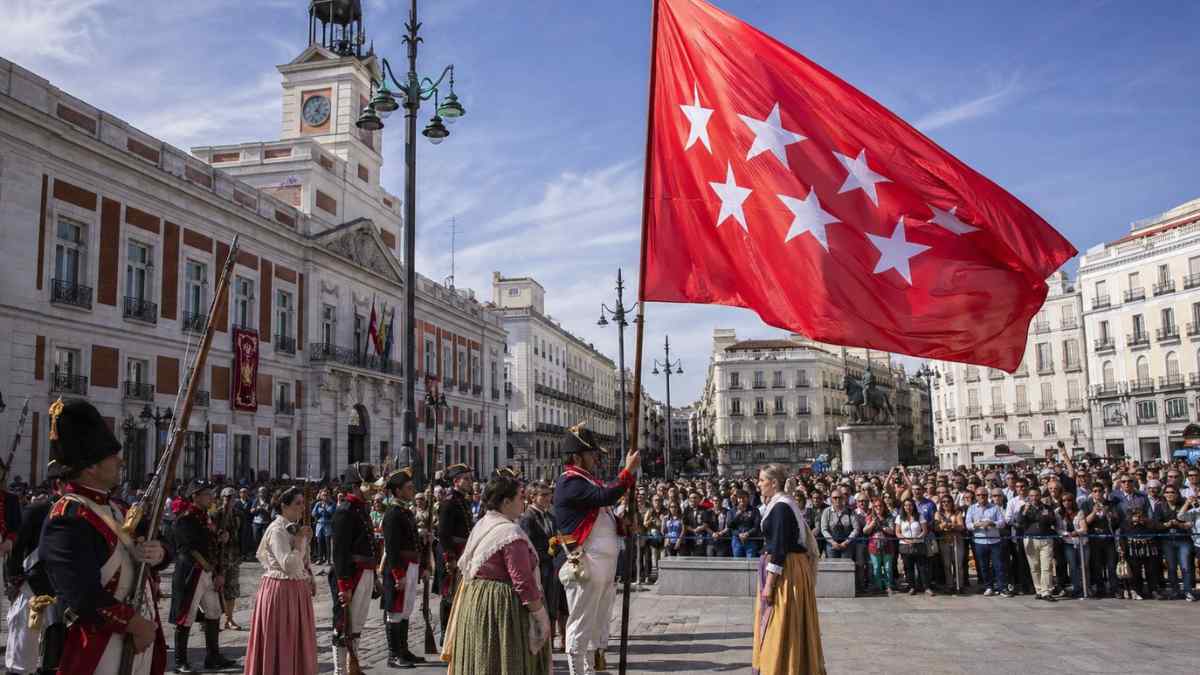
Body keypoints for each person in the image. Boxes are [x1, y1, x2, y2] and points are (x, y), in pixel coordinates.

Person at [38, 398, 170, 675]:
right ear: (90, 467)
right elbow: (82, 595)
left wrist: (158, 553)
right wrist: (134, 624)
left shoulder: (118, 508)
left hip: (136, 638)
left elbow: (159, 552)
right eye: (112, 457)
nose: (120, 461)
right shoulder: (68, 518)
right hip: (101, 644)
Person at [441, 475, 551, 674]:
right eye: (520, 497)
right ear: (506, 502)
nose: (523, 502)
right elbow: (523, 582)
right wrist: (540, 615)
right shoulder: (509, 533)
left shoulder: (484, 523)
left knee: (484, 658)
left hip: (476, 602)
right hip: (501, 607)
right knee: (504, 661)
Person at [552, 424, 639, 675]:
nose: (596, 458)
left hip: (602, 565)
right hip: (586, 563)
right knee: (580, 623)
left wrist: (622, 525)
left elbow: (602, 517)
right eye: (591, 454)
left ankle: (593, 670)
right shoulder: (570, 482)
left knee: (599, 623)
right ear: (577, 457)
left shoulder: (587, 481)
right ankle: (577, 671)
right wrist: (628, 471)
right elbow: (605, 497)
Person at [752, 464, 824, 675]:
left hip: (786, 572)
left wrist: (770, 585)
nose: (758, 484)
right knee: (783, 620)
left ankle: (781, 668)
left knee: (780, 621)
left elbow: (780, 547)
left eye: (762, 480)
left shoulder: (782, 507)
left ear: (773, 483)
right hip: (789, 568)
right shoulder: (783, 502)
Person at [244, 486, 317, 675]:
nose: (302, 508)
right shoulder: (277, 530)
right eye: (298, 504)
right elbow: (289, 565)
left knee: (297, 639)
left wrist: (309, 577)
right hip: (281, 592)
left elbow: (302, 562)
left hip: (296, 591)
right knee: (282, 640)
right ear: (284, 507)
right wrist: (301, 540)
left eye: (303, 503)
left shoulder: (295, 528)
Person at [169, 480, 237, 672]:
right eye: (207, 494)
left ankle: (213, 656)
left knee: (214, 611)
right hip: (191, 572)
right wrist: (210, 567)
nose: (211, 497)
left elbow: (209, 540)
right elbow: (188, 547)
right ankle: (180, 661)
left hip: (208, 572)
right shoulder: (186, 518)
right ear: (195, 496)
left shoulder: (204, 517)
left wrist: (220, 536)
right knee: (186, 616)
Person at [329, 462, 380, 675]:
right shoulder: (345, 511)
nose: (375, 489)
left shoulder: (361, 509)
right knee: (342, 626)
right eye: (370, 485)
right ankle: (340, 671)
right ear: (358, 485)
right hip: (351, 576)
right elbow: (340, 553)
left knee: (356, 625)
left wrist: (374, 575)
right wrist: (344, 585)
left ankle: (353, 667)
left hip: (365, 572)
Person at [5, 480, 57, 674]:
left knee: (54, 655)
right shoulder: (39, 510)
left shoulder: (85, 513)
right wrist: (15, 579)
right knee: (22, 651)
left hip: (65, 590)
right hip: (34, 585)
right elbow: (18, 546)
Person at [379, 468, 425, 669]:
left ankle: (404, 650)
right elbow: (392, 547)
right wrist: (398, 575)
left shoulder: (405, 511)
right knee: (395, 611)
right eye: (408, 487)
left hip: (411, 565)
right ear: (397, 491)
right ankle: (393, 654)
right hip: (400, 568)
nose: (412, 490)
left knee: (406, 610)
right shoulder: (392, 514)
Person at [519, 481, 564, 652]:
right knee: (540, 606)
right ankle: (540, 643)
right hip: (537, 570)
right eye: (543, 495)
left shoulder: (551, 516)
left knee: (552, 605)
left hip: (551, 568)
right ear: (532, 497)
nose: (548, 498)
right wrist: (547, 553)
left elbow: (557, 538)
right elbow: (527, 547)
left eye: (549, 494)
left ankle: (550, 643)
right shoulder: (527, 519)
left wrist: (558, 548)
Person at [437, 464, 475, 637]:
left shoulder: (462, 500)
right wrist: (449, 558)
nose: (469, 482)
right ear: (456, 481)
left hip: (462, 552)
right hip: (452, 553)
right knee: (449, 594)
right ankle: (446, 634)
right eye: (465, 479)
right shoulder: (449, 502)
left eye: (469, 478)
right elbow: (444, 534)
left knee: (460, 593)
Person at [965, 488, 1008, 597]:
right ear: (976, 496)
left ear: (987, 495)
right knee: (983, 566)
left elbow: (1002, 523)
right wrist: (977, 525)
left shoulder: (995, 508)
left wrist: (992, 523)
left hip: (994, 541)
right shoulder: (971, 508)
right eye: (979, 495)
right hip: (980, 541)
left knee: (998, 565)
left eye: (984, 495)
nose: (981, 497)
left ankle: (1002, 587)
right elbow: (968, 525)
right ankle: (988, 586)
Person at [215, 486, 245, 630]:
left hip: (233, 556)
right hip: (219, 558)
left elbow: (241, 534)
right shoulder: (216, 514)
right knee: (215, 590)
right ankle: (212, 620)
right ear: (222, 498)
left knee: (231, 590)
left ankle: (229, 619)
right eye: (226, 498)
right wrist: (218, 537)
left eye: (231, 498)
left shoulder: (238, 514)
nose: (229, 500)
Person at [895, 498, 932, 596]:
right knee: (908, 567)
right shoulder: (899, 517)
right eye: (906, 505)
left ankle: (926, 587)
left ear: (913, 506)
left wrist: (915, 539)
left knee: (922, 567)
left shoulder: (919, 516)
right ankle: (912, 587)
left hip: (919, 544)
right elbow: (897, 532)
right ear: (903, 507)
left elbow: (924, 531)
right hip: (905, 545)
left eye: (910, 505)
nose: (908, 507)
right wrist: (907, 540)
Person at [863, 498, 896, 595]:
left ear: (884, 506)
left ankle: (888, 586)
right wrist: (872, 524)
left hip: (887, 546)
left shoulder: (889, 517)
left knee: (887, 568)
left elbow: (892, 531)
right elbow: (865, 531)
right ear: (873, 507)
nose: (878, 508)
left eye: (880, 506)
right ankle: (878, 586)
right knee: (876, 567)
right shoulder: (870, 517)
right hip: (873, 546)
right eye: (876, 506)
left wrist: (882, 527)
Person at [728, 490, 762, 559]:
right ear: (737, 499)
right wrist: (737, 515)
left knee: (750, 562)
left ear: (748, 498)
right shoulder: (732, 511)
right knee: (737, 564)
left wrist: (747, 533)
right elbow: (730, 526)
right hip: (737, 541)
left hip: (751, 539)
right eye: (740, 498)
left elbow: (756, 526)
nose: (742, 500)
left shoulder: (755, 510)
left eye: (744, 497)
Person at [311, 490, 336, 564]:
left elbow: (333, 513)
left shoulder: (332, 504)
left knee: (327, 542)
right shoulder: (318, 504)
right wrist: (317, 507)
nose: (325, 496)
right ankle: (320, 559)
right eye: (323, 495)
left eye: (326, 495)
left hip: (328, 524)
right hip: (319, 524)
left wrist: (325, 509)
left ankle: (328, 560)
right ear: (321, 496)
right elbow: (313, 513)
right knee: (319, 542)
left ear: (329, 496)